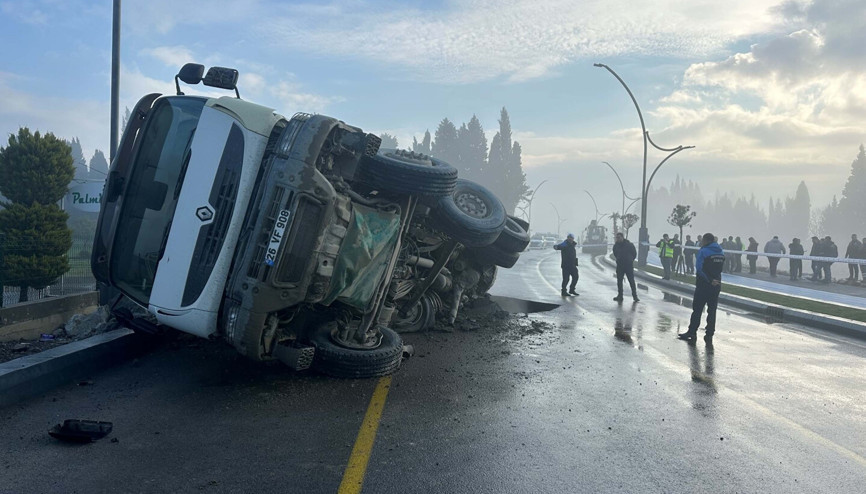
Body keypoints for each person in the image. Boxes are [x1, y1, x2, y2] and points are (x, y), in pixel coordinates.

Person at [678, 233, 725, 345]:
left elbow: (699, 269)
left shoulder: (703, 251)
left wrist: (709, 280)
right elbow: (720, 269)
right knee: (712, 311)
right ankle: (709, 334)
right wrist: (714, 280)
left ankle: (692, 332)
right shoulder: (721, 251)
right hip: (716, 284)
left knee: (697, 310)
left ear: (705, 240)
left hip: (704, 285)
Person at [612, 232, 639, 302]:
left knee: (631, 281)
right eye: (617, 238)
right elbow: (615, 253)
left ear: (622, 237)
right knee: (619, 281)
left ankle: (635, 296)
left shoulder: (629, 245)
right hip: (620, 265)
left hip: (628, 265)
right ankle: (620, 296)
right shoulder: (616, 246)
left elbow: (634, 253)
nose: (618, 239)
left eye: (619, 237)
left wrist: (630, 260)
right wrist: (618, 258)